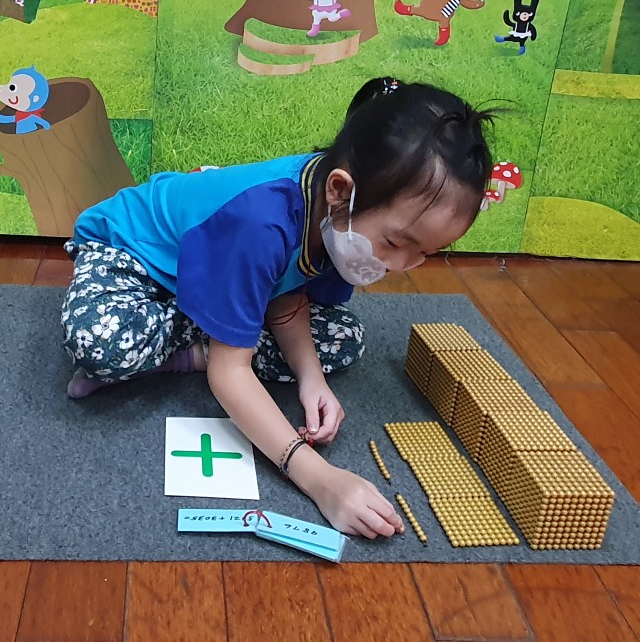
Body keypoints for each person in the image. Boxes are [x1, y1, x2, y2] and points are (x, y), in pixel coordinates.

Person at [60, 76, 497, 539]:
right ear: (340, 190)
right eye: (395, 243)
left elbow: (288, 290)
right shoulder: (262, 222)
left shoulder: (334, 211)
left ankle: (198, 340)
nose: (401, 265)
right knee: (101, 342)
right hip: (134, 255)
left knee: (343, 339)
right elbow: (230, 373)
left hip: (224, 269)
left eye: (424, 254)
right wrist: (319, 479)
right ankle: (207, 333)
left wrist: (312, 378)